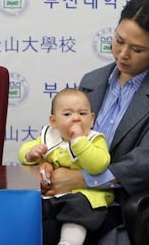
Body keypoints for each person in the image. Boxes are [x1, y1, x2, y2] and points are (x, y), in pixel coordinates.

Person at [40, 0, 149, 245]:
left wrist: (83, 178)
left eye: (137, 49)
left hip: (126, 205)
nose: (123, 54)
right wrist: (50, 166)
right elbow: (65, 136)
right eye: (119, 41)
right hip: (70, 199)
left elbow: (147, 162)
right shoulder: (92, 81)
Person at [19, 88, 114, 245]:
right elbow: (23, 152)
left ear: (92, 119)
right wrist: (30, 153)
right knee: (32, 204)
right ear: (54, 121)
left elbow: (98, 165)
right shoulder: (49, 137)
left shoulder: (93, 139)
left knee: (78, 209)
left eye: (82, 114)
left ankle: (69, 242)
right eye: (68, 114)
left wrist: (78, 142)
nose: (76, 118)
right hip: (52, 194)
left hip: (85, 194)